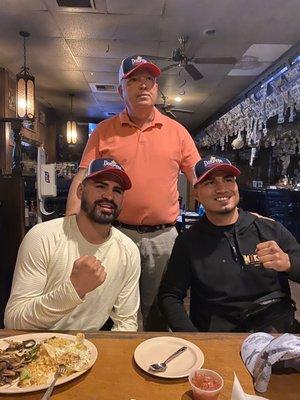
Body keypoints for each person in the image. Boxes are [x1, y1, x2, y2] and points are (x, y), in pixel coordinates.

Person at [65, 55, 200, 330]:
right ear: (120, 90)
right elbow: (83, 176)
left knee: (159, 307)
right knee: (110, 301)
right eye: (134, 80)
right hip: (114, 233)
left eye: (149, 80)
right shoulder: (103, 131)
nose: (143, 86)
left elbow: (201, 179)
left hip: (164, 237)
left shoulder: (178, 132)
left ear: (156, 88)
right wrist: (69, 226)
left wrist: (233, 215)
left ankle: (153, 362)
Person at [158, 156, 300, 333]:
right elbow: (170, 296)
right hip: (219, 338)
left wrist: (288, 263)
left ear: (236, 187)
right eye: (210, 182)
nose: (222, 189)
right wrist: (193, 338)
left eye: (228, 180)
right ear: (197, 194)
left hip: (274, 334)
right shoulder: (188, 241)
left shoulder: (269, 229)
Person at [4, 158, 141, 331]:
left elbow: (126, 322)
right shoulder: (42, 237)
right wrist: (74, 290)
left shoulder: (128, 250)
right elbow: (14, 320)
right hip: (38, 347)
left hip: (89, 348)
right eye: (100, 186)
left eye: (117, 190)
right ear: (80, 191)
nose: (109, 196)